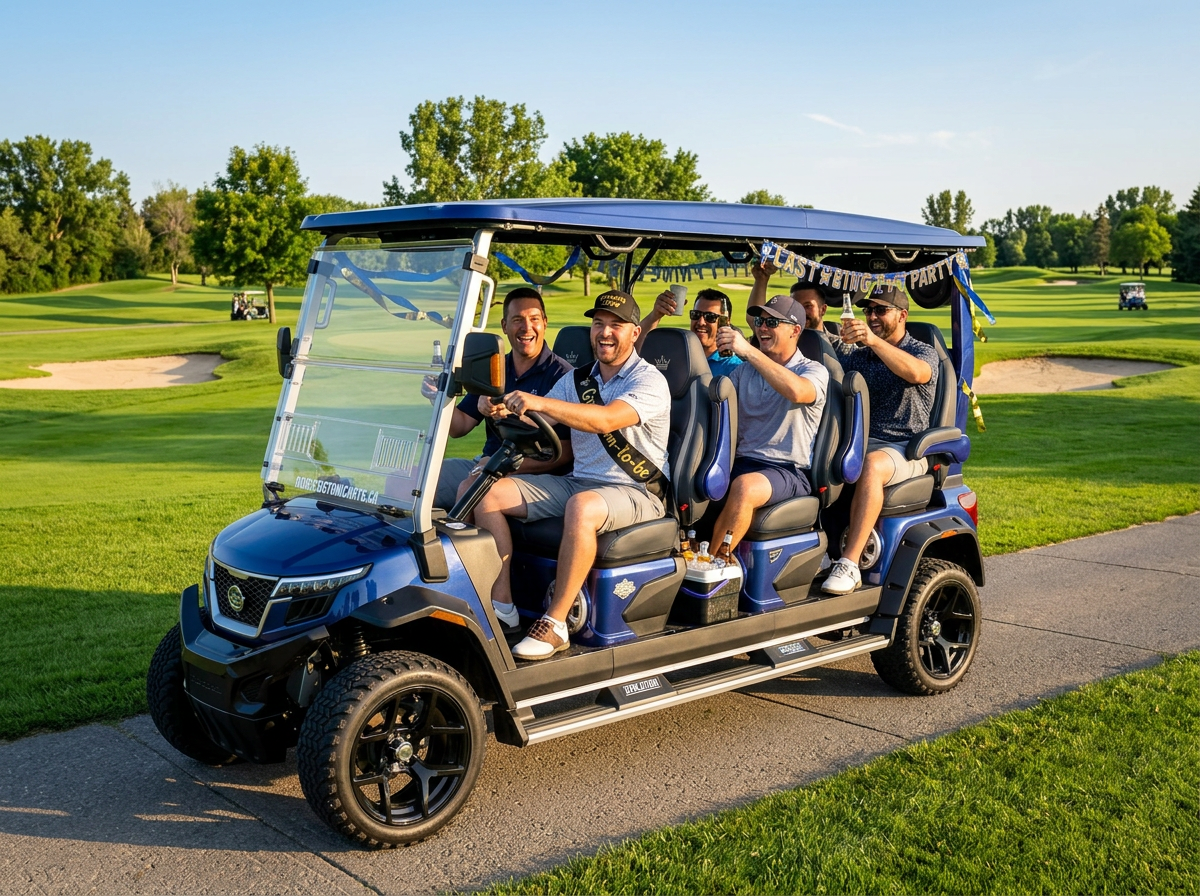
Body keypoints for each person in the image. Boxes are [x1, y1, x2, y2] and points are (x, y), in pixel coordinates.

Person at [472, 289, 672, 659]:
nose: (605, 333)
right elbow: (541, 418)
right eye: (598, 324)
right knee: (486, 491)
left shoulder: (648, 381)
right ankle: (502, 605)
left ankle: (556, 623)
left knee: (582, 506)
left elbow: (607, 419)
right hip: (580, 481)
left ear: (633, 333)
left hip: (636, 489)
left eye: (616, 325)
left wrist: (541, 403)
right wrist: (501, 409)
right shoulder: (579, 379)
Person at [822, 284, 939, 594]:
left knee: (871, 466)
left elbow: (916, 373)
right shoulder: (859, 355)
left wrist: (872, 340)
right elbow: (810, 337)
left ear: (902, 315)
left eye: (880, 310)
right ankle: (817, 550)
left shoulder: (921, 350)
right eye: (868, 310)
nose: (871, 316)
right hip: (858, 443)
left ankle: (849, 562)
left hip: (904, 449)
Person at [430, 287, 573, 510]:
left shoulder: (562, 376)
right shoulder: (495, 368)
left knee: (473, 486)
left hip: (536, 474)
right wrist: (438, 397)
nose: (527, 327)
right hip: (488, 462)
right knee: (410, 479)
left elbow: (564, 454)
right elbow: (459, 427)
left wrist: (502, 466)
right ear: (504, 326)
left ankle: (456, 545)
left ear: (545, 322)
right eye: (517, 320)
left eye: (534, 319)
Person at [707, 295, 828, 553]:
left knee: (745, 487)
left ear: (796, 330)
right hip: (741, 462)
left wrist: (748, 351)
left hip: (787, 470)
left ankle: (713, 565)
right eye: (760, 321)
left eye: (771, 322)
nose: (762, 327)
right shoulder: (743, 372)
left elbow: (797, 392)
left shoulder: (813, 370)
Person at [635, 287, 744, 378]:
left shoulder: (733, 367)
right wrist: (655, 315)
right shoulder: (676, 353)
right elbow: (636, 350)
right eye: (696, 314)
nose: (701, 322)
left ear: (725, 322)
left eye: (710, 317)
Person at [749, 260, 839, 344]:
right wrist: (761, 279)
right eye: (797, 306)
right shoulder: (783, 341)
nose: (802, 311)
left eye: (808, 306)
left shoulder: (838, 345)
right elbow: (755, 321)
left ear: (822, 309)